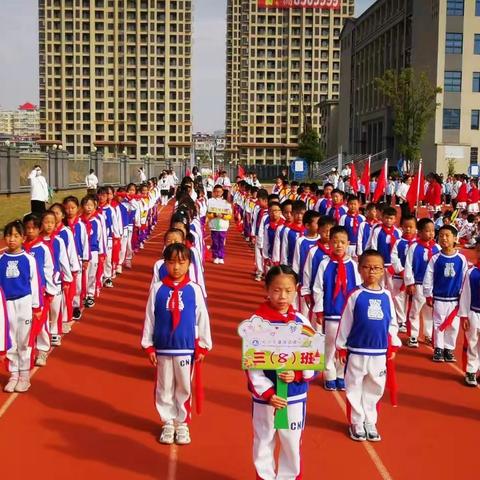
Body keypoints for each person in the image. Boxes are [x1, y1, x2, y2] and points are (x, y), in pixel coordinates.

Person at [246, 265, 315, 479]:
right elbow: (253, 367)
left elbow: (312, 359)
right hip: (267, 399)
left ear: (296, 290)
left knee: (292, 442)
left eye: (288, 290)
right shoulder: (257, 323)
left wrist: (297, 375)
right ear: (267, 289)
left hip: (294, 396)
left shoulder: (302, 322)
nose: (283, 296)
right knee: (264, 441)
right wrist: (268, 393)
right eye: (276, 290)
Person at [142, 243, 212, 445]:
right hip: (163, 346)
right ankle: (167, 421)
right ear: (165, 264)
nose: (176, 267)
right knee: (164, 385)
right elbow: (150, 318)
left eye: (182, 263)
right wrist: (148, 345)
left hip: (186, 347)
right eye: (171, 262)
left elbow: (202, 319)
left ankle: (182, 422)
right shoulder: (157, 289)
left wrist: (203, 345)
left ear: (189, 264)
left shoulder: (194, 290)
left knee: (183, 385)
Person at [336, 249, 401, 442]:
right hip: (357, 351)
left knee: (375, 387)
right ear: (359, 269)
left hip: (379, 352)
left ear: (383, 271)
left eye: (376, 268)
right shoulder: (355, 295)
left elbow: (392, 323)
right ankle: (356, 421)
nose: (371, 271)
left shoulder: (387, 296)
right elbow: (345, 321)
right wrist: (341, 346)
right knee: (354, 387)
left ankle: (370, 421)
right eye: (367, 267)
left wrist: (393, 344)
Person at [313, 226, 361, 391]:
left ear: (348, 243)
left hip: (348, 314)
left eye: (342, 242)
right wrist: (319, 310)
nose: (339, 245)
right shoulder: (325, 263)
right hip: (332, 312)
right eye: (335, 242)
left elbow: (358, 289)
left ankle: (341, 374)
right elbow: (318, 288)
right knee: (330, 345)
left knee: (345, 345)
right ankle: (329, 373)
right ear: (330, 244)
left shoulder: (353, 265)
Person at [0, 220, 41, 392]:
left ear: (23, 238)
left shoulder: (29, 259)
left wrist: (36, 307)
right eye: (9, 235)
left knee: (24, 340)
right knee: (10, 340)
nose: (11, 239)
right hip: (6, 304)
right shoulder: (1, 259)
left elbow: (35, 284)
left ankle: (24, 375)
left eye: (16, 236)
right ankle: (14, 374)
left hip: (24, 302)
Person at [423, 225, 468, 362]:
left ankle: (449, 349)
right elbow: (429, 276)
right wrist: (428, 294)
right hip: (439, 297)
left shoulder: (461, 259)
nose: (443, 238)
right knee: (438, 323)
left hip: (455, 299)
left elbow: (465, 278)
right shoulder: (435, 258)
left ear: (455, 238)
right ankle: (438, 348)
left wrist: (464, 296)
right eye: (441, 235)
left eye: (447, 235)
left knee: (453, 326)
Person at [23, 213, 56, 366]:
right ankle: (26, 350)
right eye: (27, 228)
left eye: (33, 228)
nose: (30, 231)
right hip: (24, 293)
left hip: (40, 292)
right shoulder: (20, 248)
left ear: (39, 229)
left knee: (40, 322)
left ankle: (42, 350)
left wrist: (49, 290)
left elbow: (49, 269)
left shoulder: (43, 248)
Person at [403, 218, 440, 347]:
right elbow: (408, 265)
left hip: (431, 286)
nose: (430, 233)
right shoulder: (414, 247)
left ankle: (428, 334)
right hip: (418, 284)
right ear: (420, 232)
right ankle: (413, 335)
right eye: (427, 231)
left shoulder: (437, 248)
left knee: (429, 312)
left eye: (432, 231)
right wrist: (410, 283)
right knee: (415, 310)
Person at [459, 242, 480, 386]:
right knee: (473, 343)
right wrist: (464, 315)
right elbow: (465, 295)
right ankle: (471, 371)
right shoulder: (472, 273)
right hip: (474, 312)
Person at [207, 184, 233, 264]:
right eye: (216, 191)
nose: (218, 193)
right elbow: (208, 214)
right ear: (213, 192)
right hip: (214, 225)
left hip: (223, 226)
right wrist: (214, 215)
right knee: (215, 242)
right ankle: (215, 256)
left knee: (221, 242)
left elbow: (229, 215)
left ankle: (221, 256)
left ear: (222, 192)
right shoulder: (210, 201)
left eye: (219, 191)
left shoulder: (226, 202)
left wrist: (222, 216)